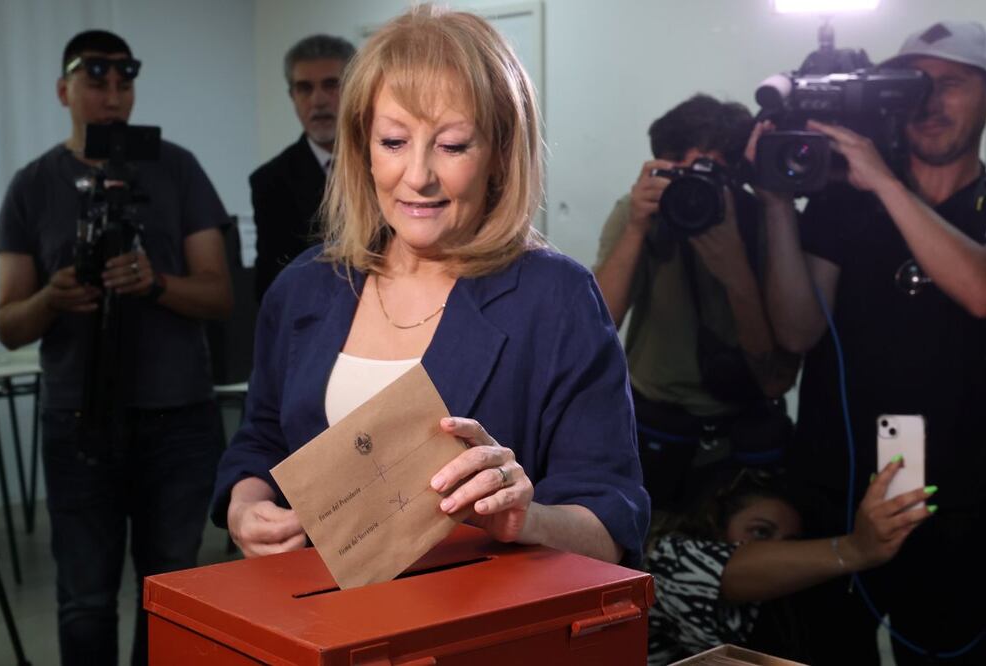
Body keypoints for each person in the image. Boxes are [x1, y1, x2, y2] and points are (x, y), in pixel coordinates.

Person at [213, 6, 649, 568]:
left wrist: (527, 518)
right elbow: (261, 441)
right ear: (361, 150)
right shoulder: (304, 287)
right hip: (317, 626)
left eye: (452, 145)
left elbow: (613, 523)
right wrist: (246, 505)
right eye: (393, 142)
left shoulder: (556, 299)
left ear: (499, 155)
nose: (417, 176)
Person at [758, 20, 986, 664]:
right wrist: (780, 203)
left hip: (961, 503)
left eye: (951, 84)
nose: (927, 101)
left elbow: (985, 290)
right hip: (838, 486)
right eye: (912, 85)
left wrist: (886, 183)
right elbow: (796, 330)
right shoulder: (847, 203)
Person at [0, 30, 232, 666]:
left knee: (174, 590)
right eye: (96, 82)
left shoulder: (176, 166)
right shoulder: (33, 185)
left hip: (178, 416)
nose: (112, 96)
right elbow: (9, 322)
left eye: (124, 83)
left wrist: (155, 284)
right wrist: (53, 297)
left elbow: (219, 295)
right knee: (85, 598)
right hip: (79, 421)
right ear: (64, 90)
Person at [594, 95, 798, 511]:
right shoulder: (642, 212)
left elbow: (777, 379)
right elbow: (598, 325)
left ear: (737, 173)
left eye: (713, 173)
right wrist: (636, 228)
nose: (696, 188)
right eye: (683, 172)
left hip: (739, 429)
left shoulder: (761, 218)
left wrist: (735, 267)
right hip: (655, 425)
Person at [645, 459, 933, 665]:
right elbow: (713, 572)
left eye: (790, 542)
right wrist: (856, 549)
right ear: (715, 525)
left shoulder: (774, 609)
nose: (776, 549)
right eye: (760, 532)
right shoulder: (665, 559)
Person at [250, 34, 356, 302]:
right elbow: (272, 283)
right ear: (292, 96)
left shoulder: (387, 161)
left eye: (331, 85)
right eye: (305, 88)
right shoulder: (271, 181)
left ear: (356, 87)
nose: (318, 101)